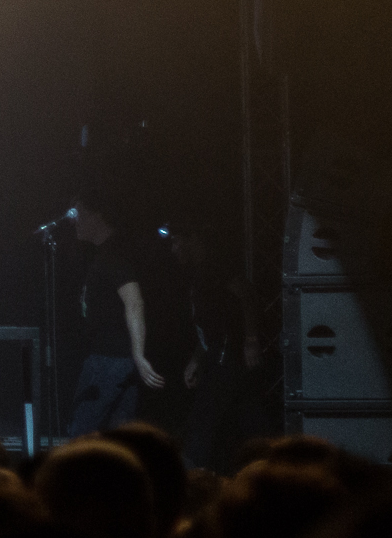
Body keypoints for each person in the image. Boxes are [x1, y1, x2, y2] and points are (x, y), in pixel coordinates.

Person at [66, 192, 165, 436]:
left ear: (97, 215)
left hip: (109, 360)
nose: (74, 221)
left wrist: (139, 355)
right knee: (120, 436)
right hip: (115, 359)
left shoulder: (113, 256)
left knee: (81, 434)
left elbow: (135, 302)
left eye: (79, 213)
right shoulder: (104, 254)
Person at [166, 224, 263, 472]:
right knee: (245, 417)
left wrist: (251, 340)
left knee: (203, 419)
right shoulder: (198, 273)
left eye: (177, 241)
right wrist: (197, 359)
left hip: (227, 354)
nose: (173, 249)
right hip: (217, 353)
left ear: (193, 238)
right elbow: (207, 325)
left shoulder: (217, 266)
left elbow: (246, 295)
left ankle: (191, 476)